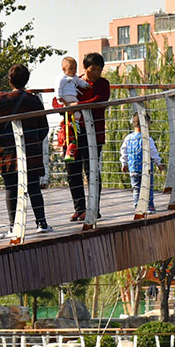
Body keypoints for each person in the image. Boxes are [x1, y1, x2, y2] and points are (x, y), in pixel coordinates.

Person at [0, 64, 51, 233]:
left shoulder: (1, 102)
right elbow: (44, 127)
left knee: (11, 188)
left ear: (10, 81)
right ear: (27, 80)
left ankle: (13, 226)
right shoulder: (34, 100)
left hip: (8, 154)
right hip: (31, 152)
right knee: (33, 187)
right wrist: (35, 142)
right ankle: (41, 223)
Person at [64, 52, 110, 222]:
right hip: (73, 133)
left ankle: (94, 208)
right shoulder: (74, 82)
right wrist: (64, 105)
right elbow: (61, 97)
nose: (96, 73)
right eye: (93, 69)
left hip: (94, 133)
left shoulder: (103, 84)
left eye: (99, 70)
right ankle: (79, 208)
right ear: (85, 68)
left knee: (92, 171)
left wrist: (76, 105)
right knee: (72, 171)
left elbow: (100, 99)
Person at [119, 113, 163, 213]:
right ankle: (149, 206)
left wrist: (124, 164)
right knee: (148, 188)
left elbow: (123, 151)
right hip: (146, 169)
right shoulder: (147, 139)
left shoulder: (128, 138)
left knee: (136, 189)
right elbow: (153, 152)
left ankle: (137, 206)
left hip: (133, 168)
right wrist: (158, 163)